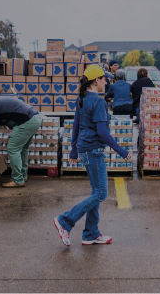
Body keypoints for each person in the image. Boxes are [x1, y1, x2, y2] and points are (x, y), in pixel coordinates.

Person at [54, 65, 132, 247]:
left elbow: (76, 125)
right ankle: (64, 221)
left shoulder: (82, 99)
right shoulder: (98, 102)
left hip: (85, 149)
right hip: (93, 150)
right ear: (96, 80)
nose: (106, 82)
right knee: (101, 193)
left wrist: (73, 149)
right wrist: (122, 151)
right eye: (104, 79)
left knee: (96, 192)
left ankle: (90, 234)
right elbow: (103, 133)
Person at [0, 96, 42, 187]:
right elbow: (9, 119)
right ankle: (22, 176)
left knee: (12, 149)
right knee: (22, 149)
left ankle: (18, 180)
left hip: (27, 121)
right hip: (34, 118)